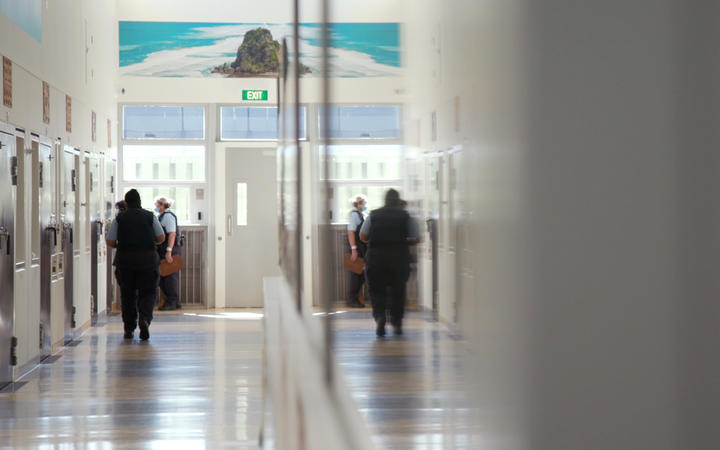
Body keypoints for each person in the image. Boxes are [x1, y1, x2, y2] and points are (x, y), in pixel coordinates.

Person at [360, 189, 421, 336]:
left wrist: (376, 241)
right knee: (398, 291)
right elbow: (417, 238)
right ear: (397, 200)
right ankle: (397, 323)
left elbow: (363, 236)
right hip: (399, 259)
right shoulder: (406, 216)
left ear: (385, 200)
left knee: (376, 290)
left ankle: (380, 317)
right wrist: (404, 242)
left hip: (376, 259)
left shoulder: (373, 215)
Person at [106, 189, 165, 340]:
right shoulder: (150, 216)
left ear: (126, 202)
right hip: (148, 261)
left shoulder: (120, 218)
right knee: (148, 292)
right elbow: (161, 237)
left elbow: (110, 241)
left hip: (125, 262)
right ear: (140, 201)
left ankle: (129, 329)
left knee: (127, 294)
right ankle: (144, 319)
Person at [154, 196, 182, 311]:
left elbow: (172, 234)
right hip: (163, 250)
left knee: (170, 278)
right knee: (163, 277)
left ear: (162, 205)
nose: (155, 207)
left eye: (156, 204)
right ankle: (174, 301)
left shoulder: (168, 217)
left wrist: (169, 252)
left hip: (170, 250)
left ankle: (172, 302)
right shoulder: (161, 217)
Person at [346, 194, 368, 308]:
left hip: (361, 249)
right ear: (359, 204)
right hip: (356, 249)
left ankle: (355, 298)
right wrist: (354, 250)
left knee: (361, 276)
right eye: (364, 203)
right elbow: (351, 232)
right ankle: (351, 300)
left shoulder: (360, 215)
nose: (365, 205)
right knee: (356, 276)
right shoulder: (354, 215)